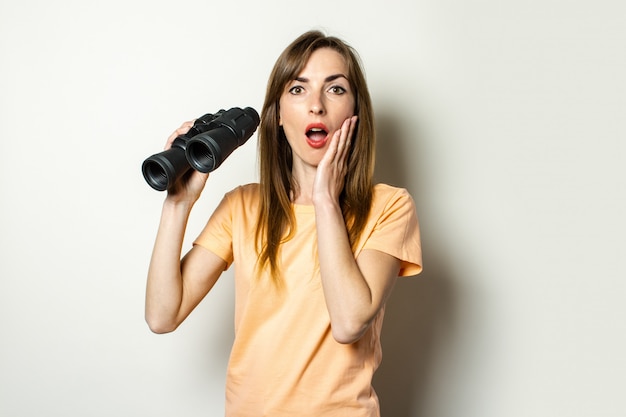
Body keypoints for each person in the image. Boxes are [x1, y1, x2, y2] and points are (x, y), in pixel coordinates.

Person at [145, 30, 422, 417]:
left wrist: (325, 199)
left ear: (356, 113)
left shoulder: (388, 207)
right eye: (298, 89)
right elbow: (162, 315)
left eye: (336, 89)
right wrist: (178, 204)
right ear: (276, 116)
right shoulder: (243, 206)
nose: (316, 106)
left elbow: (348, 322)